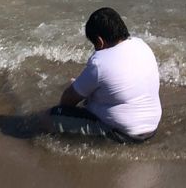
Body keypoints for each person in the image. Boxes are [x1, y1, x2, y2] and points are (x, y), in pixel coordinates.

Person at [49, 7, 161, 143]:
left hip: (124, 134)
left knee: (53, 115)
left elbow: (67, 101)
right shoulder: (142, 45)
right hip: (152, 127)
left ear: (100, 41)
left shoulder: (100, 62)